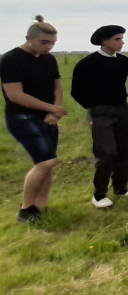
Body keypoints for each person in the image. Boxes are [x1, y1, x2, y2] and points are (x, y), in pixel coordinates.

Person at [0, 15, 66, 223]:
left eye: (53, 43)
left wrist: (54, 113)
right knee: (45, 161)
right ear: (29, 38)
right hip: (22, 116)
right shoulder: (11, 60)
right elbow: (15, 95)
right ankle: (26, 209)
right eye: (44, 42)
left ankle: (41, 206)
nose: (49, 47)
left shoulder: (49, 59)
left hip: (48, 117)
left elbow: (57, 87)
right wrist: (52, 108)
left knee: (47, 163)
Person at [71, 25, 128, 209]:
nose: (122, 42)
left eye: (122, 38)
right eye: (118, 39)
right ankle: (99, 194)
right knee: (106, 152)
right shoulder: (87, 64)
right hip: (100, 111)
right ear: (104, 41)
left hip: (121, 109)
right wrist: (94, 106)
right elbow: (76, 91)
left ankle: (120, 189)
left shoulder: (124, 62)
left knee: (125, 150)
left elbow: (118, 86)